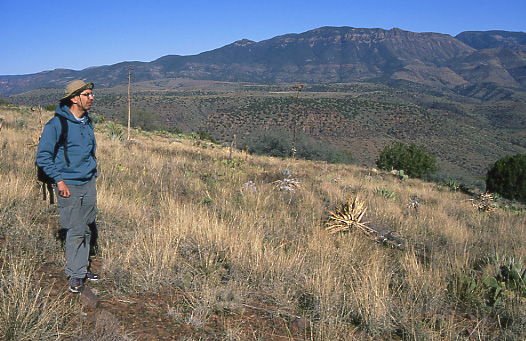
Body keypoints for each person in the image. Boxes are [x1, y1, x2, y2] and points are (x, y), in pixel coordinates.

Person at [36, 80, 99, 293]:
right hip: (69, 185)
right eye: (87, 94)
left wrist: (92, 173)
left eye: (91, 94)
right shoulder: (56, 124)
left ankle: (82, 266)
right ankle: (75, 273)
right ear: (74, 98)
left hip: (88, 181)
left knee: (88, 226)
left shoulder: (86, 122)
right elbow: (43, 156)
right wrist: (59, 181)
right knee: (75, 229)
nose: (92, 98)